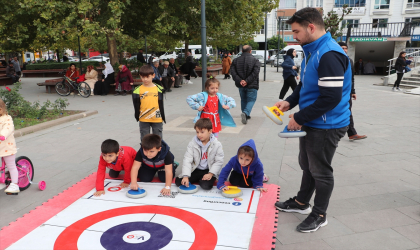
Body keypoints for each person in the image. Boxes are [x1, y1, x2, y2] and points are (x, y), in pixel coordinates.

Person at [273, 7, 352, 233]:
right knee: (306, 164)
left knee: (321, 171)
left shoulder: (329, 54)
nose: (294, 37)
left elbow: (330, 97)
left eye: (296, 32)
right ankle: (301, 203)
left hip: (328, 124)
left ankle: (319, 214)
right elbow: (305, 85)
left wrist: (298, 117)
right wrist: (289, 102)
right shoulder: (312, 50)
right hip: (313, 120)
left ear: (311, 27)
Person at [175, 118, 223, 190]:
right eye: (197, 132)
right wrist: (185, 176)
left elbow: (219, 161)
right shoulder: (192, 143)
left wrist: (211, 174)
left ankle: (203, 179)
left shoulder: (217, 144)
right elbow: (187, 159)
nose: (199, 135)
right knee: (179, 182)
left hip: (208, 170)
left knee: (206, 186)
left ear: (210, 131)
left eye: (202, 132)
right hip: (195, 169)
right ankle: (198, 179)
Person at [338, 42, 367, 141]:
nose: (344, 50)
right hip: (335, 91)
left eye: (346, 48)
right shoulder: (334, 60)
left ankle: (352, 133)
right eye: (342, 48)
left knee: (348, 111)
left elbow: (351, 78)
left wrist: (353, 91)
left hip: (346, 92)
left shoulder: (349, 61)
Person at [132, 65, 166, 141]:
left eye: (147, 77)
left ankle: (159, 153)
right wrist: (137, 116)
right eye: (143, 77)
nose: (145, 79)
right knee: (145, 140)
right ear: (140, 76)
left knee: (158, 140)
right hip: (144, 118)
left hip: (157, 118)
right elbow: (136, 105)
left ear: (153, 76)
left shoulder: (159, 89)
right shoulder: (137, 90)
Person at [231, 45, 261, 125]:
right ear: (250, 51)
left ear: (242, 51)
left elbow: (233, 72)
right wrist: (247, 81)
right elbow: (255, 73)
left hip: (240, 85)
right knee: (251, 100)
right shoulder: (255, 60)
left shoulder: (235, 60)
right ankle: (245, 113)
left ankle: (245, 114)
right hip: (252, 84)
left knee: (243, 99)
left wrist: (240, 81)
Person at [0, 99, 19, 194]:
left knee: (11, 166)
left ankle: (15, 185)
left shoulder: (7, 118)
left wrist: (2, 135)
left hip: (7, 147)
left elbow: (8, 128)